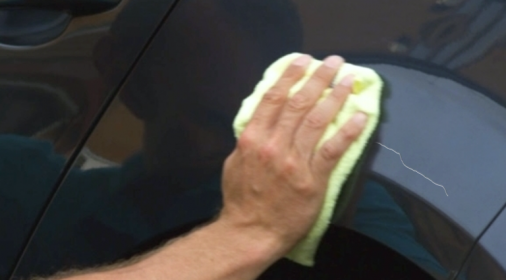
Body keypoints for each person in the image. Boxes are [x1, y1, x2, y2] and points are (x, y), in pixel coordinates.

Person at [35, 54, 368, 280]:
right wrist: (248, 231)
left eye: (228, 126)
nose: (206, 146)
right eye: (199, 116)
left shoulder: (332, 192)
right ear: (139, 93)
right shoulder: (26, 181)